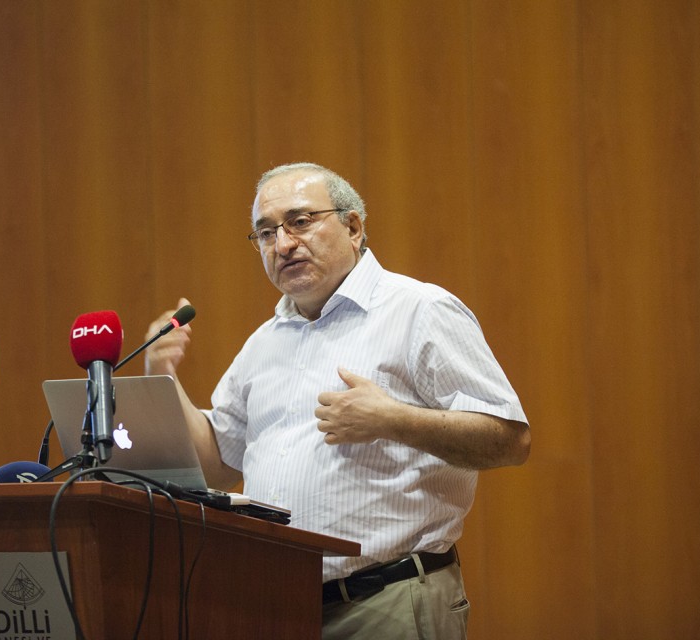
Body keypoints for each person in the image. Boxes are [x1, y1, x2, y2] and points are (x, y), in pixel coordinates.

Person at [144, 162, 530, 639]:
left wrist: (393, 420)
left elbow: (510, 440)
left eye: (300, 221)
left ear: (353, 227)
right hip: (278, 609)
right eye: (266, 233)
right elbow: (220, 465)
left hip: (387, 601)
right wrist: (162, 375)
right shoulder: (264, 343)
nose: (283, 244)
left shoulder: (419, 310)